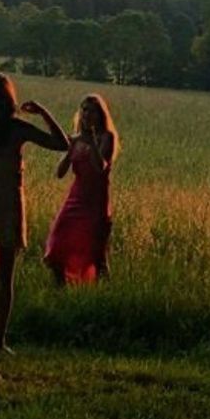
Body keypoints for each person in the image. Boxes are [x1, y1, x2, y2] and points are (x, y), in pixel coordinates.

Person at [0, 71, 69, 354]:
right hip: (8, 206)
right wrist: (42, 111)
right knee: (5, 277)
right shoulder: (17, 129)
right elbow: (62, 143)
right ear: (9, 98)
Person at [43, 93, 119, 285]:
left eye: (92, 111)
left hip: (96, 204)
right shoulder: (75, 139)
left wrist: (91, 141)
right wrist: (70, 150)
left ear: (100, 115)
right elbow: (59, 173)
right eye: (84, 109)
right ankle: (59, 290)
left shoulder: (107, 138)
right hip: (75, 199)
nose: (87, 114)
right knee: (57, 243)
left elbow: (99, 167)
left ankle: (106, 295)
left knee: (97, 255)